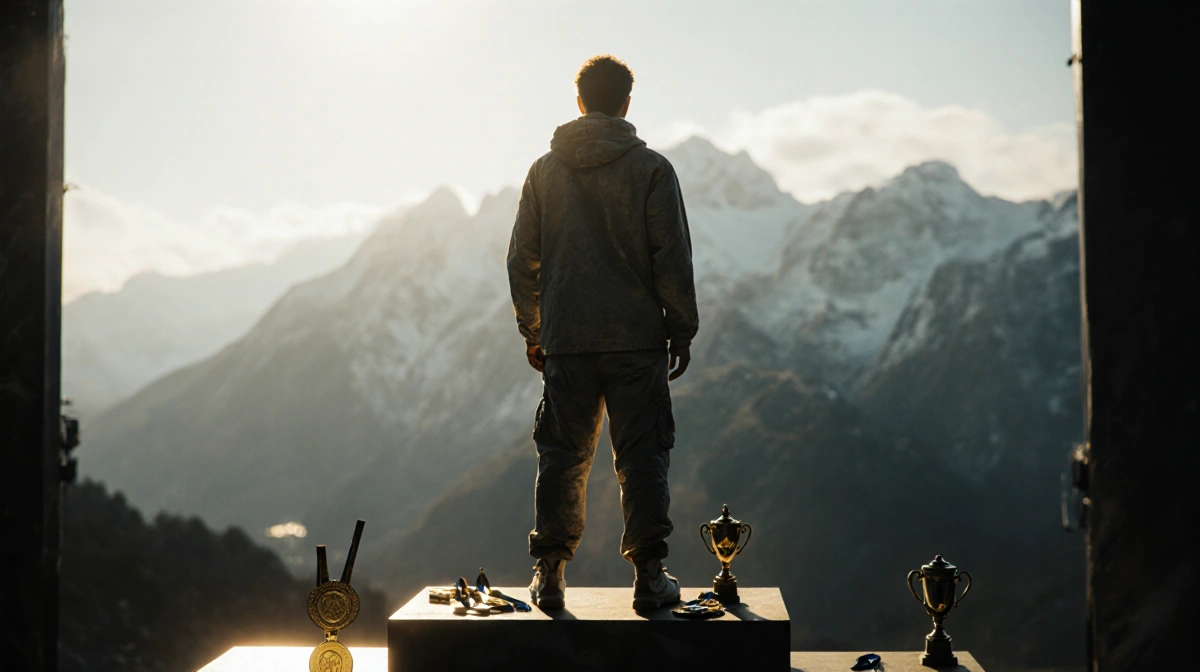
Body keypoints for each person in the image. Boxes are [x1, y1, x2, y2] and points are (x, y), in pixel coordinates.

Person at [507, 54, 699, 611]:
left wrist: (535, 330)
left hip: (566, 341)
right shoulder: (652, 170)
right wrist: (681, 329)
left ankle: (549, 574)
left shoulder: (544, 172)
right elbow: (671, 258)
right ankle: (649, 576)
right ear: (627, 103)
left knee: (562, 456)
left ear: (579, 102)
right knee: (641, 456)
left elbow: (522, 260)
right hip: (637, 342)